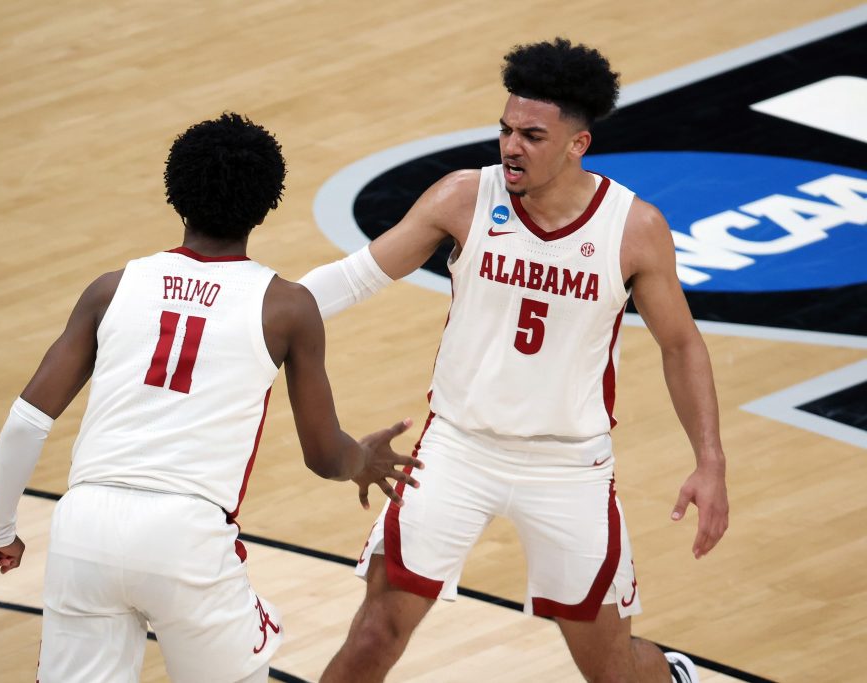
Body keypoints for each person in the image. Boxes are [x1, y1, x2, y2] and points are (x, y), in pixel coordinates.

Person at [299, 39, 729, 683]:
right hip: (455, 449)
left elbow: (680, 344)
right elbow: (356, 277)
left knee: (611, 671)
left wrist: (710, 461)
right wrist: (254, 312)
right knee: (375, 633)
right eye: (505, 130)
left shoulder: (633, 229)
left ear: (577, 145)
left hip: (568, 464)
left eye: (531, 135)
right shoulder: (463, 198)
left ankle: (674, 676)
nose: (510, 147)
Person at [0, 112, 422, 683]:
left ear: (174, 192)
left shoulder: (112, 288)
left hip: (84, 527)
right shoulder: (285, 308)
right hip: (185, 537)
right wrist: (364, 458)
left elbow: (27, 422)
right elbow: (325, 457)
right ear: (267, 204)